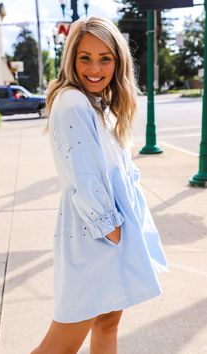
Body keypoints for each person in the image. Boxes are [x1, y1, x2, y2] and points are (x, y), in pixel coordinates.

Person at [30, 16, 167, 354]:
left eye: (105, 58)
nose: (95, 67)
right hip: (95, 235)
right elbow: (83, 174)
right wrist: (110, 227)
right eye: (85, 57)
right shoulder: (73, 101)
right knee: (60, 344)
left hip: (109, 231)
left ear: (117, 62)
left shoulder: (98, 103)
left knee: (108, 322)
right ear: (72, 60)